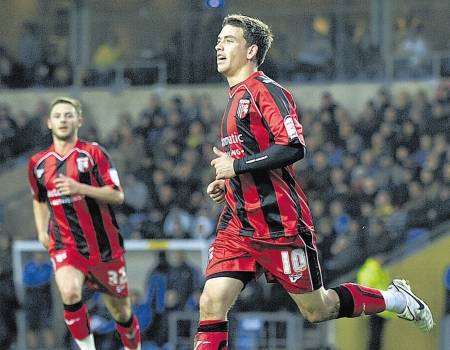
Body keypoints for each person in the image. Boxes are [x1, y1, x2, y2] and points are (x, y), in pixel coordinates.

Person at [194, 14, 434, 349]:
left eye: (229, 40)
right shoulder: (234, 98)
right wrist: (227, 182)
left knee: (317, 309)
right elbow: (248, 163)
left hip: (280, 226)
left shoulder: (268, 92)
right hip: (239, 225)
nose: (219, 45)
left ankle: (393, 298)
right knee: (211, 300)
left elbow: (293, 147)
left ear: (251, 51)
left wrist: (236, 166)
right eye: (219, 40)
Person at [28, 96, 141, 350]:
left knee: (121, 312)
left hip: (103, 246)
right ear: (49, 123)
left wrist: (79, 187)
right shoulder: (37, 163)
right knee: (69, 292)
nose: (63, 120)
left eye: (69, 115)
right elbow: (38, 199)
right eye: (57, 116)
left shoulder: (93, 153)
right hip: (65, 243)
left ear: (79, 120)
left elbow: (117, 194)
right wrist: (40, 230)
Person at [357, 256, 394, 350]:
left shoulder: (374, 269)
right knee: (375, 337)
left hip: (378, 308)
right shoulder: (372, 270)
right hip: (376, 309)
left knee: (376, 337)